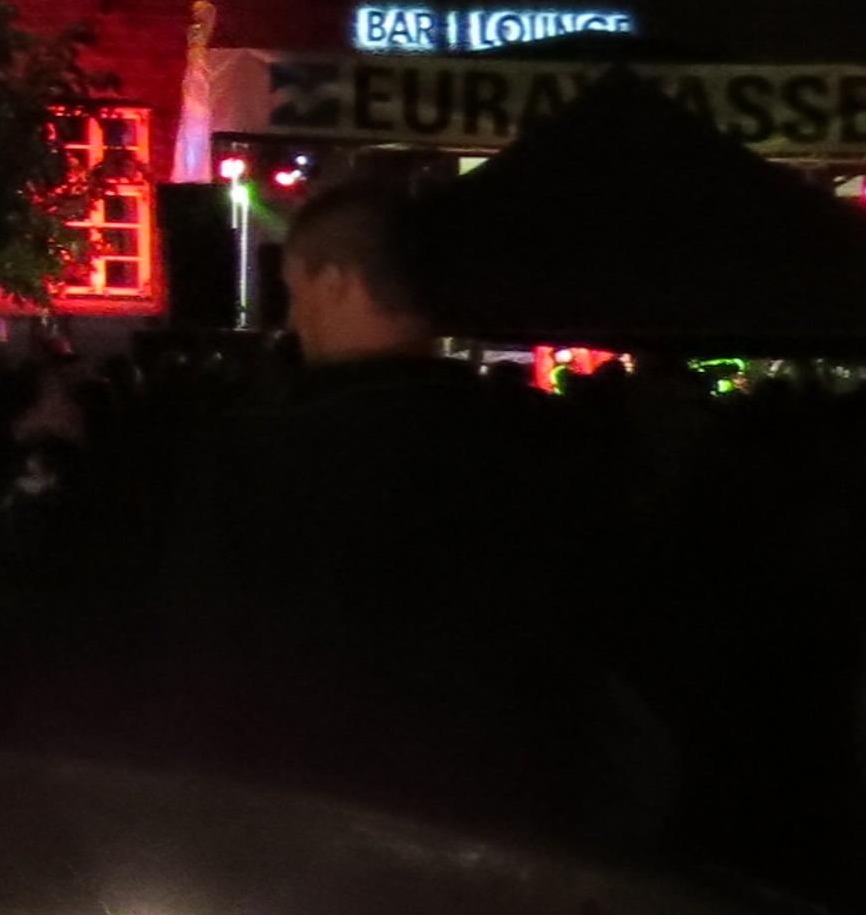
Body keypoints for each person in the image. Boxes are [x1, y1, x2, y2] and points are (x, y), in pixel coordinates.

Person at [164, 176, 668, 844]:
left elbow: (209, 658)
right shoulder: (540, 446)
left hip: (316, 822)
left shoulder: (258, 455)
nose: (292, 318)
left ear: (337, 281)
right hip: (512, 823)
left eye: (295, 290)